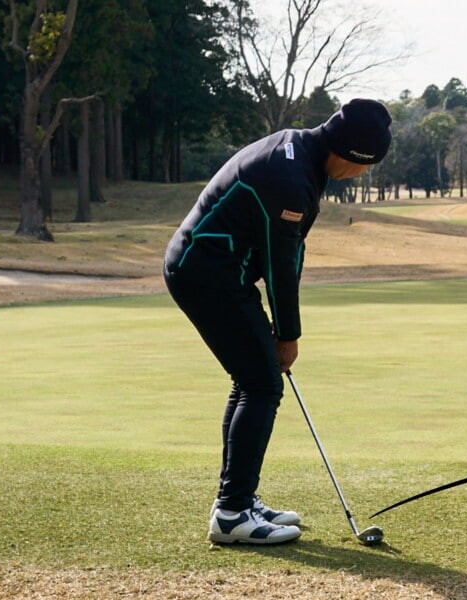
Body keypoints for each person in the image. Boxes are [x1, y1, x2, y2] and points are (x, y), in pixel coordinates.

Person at [163, 99, 392, 545]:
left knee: (251, 379)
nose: (363, 175)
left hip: (219, 273)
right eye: (365, 166)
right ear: (350, 154)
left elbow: (290, 249)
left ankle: (238, 499)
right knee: (263, 384)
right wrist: (288, 335)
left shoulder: (303, 154)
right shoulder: (290, 178)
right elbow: (280, 264)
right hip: (205, 274)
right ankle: (231, 515)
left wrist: (276, 329)